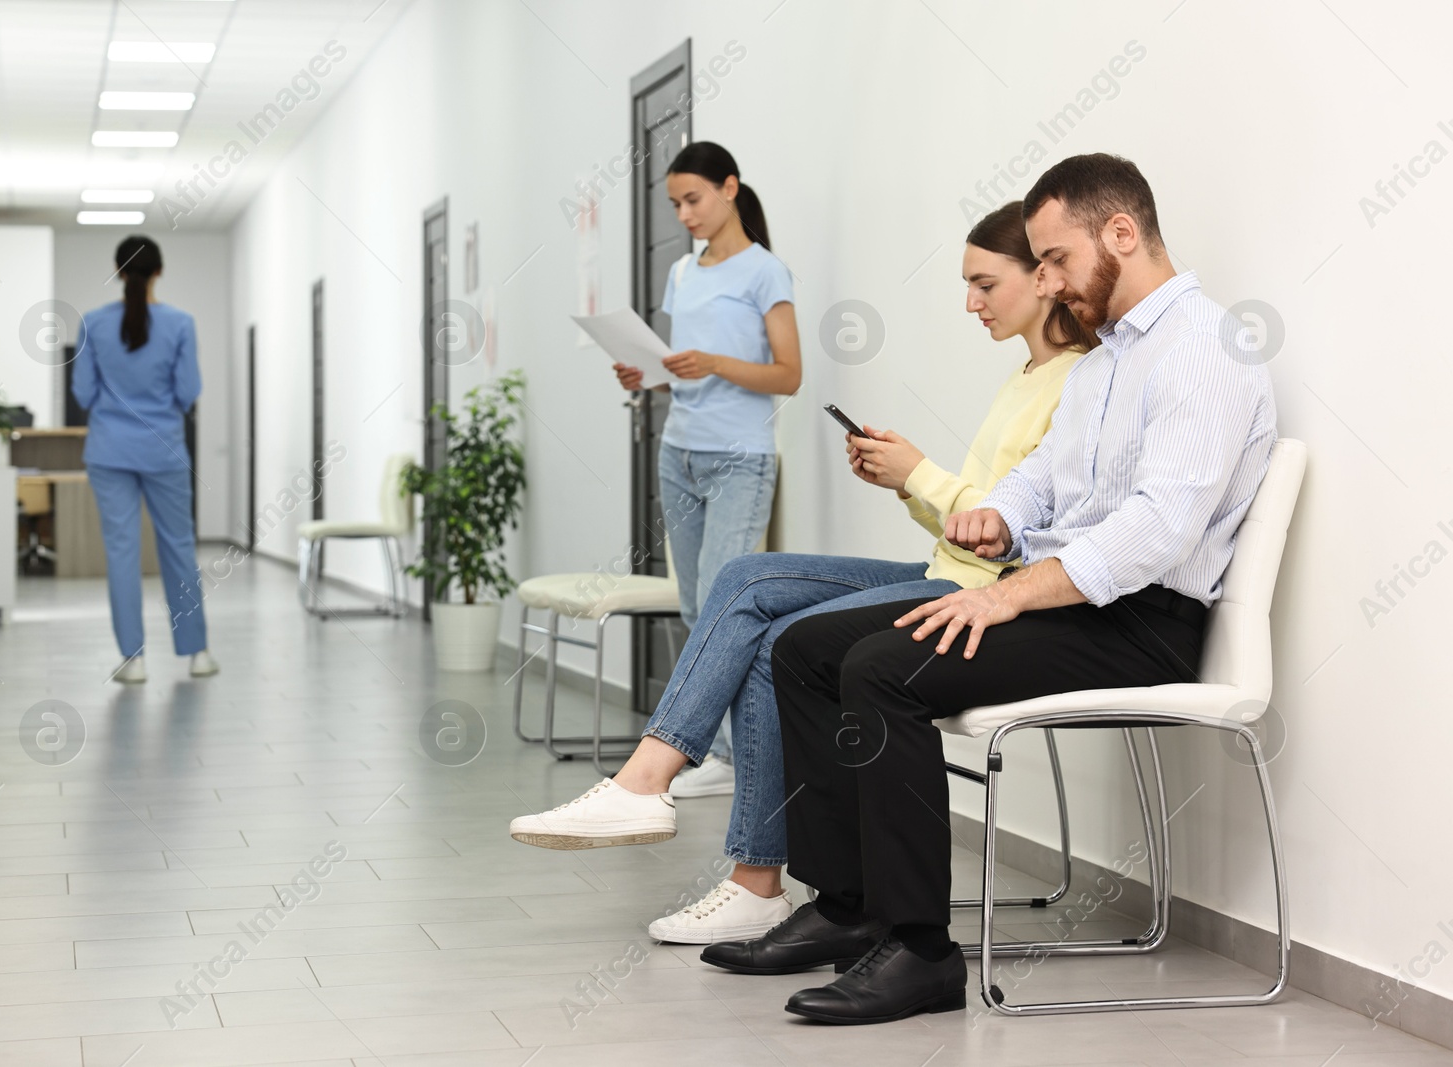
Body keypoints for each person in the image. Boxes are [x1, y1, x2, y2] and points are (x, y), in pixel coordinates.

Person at [731, 153, 1277, 1025]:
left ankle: (919, 950)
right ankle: (849, 903)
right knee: (805, 648)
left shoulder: (1204, 349)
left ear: (1122, 234)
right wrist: (1000, 520)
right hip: (1069, 597)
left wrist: (1009, 594)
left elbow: (1157, 531)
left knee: (880, 668)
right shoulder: (1103, 364)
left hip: (1142, 621)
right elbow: (1045, 483)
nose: (1050, 283)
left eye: (1056, 259)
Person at [509, 202, 1100, 946]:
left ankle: (725, 854)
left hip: (986, 598)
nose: (970, 302)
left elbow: (1023, 544)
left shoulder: (1080, 383)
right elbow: (975, 527)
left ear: (1044, 280)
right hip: (949, 569)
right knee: (750, 577)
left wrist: (922, 473)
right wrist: (905, 484)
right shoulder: (1026, 375)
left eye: (985, 283)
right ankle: (665, 798)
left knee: (778, 629)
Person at [611, 141, 801, 797]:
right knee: (696, 607)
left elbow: (789, 374)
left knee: (727, 609)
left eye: (693, 199)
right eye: (675, 204)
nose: (684, 214)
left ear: (730, 187)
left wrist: (714, 361)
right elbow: (680, 372)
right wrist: (651, 376)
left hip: (739, 459)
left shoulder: (765, 272)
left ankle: (727, 757)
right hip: (679, 452)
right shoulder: (683, 273)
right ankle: (711, 752)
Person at [71, 235, 219, 684]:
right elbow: (188, 391)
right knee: (177, 548)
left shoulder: (93, 324)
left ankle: (133, 660)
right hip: (165, 450)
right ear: (159, 272)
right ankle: (196, 654)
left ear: (118, 273)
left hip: (109, 450)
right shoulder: (180, 323)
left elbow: (82, 392)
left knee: (122, 553)